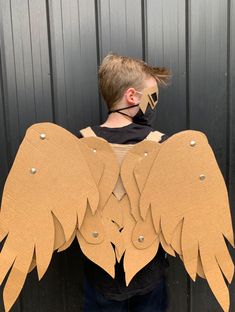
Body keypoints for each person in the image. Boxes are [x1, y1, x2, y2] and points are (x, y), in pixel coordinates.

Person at [77, 53, 172, 312]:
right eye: (152, 96)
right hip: (148, 273)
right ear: (133, 96)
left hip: (101, 275)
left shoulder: (80, 144)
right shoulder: (162, 144)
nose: (154, 103)